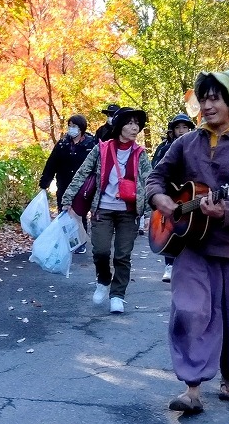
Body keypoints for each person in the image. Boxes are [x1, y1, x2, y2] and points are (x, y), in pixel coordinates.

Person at [146, 68, 229, 414]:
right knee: (190, 310)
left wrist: (224, 210)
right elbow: (157, 176)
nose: (208, 104)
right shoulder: (187, 142)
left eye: (215, 98)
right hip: (193, 245)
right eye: (204, 98)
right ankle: (192, 388)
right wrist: (161, 200)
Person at [62, 107, 151, 314]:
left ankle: (118, 295)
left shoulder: (140, 153)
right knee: (101, 251)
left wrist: (148, 212)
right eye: (129, 123)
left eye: (137, 123)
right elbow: (82, 173)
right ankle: (103, 279)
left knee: (122, 255)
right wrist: (67, 198)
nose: (134, 127)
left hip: (128, 213)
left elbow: (149, 182)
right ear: (119, 126)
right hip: (103, 209)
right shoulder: (101, 149)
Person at [38, 114, 96, 253]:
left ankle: (80, 242)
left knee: (78, 213)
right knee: (64, 212)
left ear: (81, 128)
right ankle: (67, 240)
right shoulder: (63, 144)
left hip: (83, 187)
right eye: (70, 126)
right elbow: (52, 163)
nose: (71, 129)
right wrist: (44, 183)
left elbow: (96, 166)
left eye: (74, 126)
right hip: (63, 184)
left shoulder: (91, 145)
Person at [150, 113, 196, 282]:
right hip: (170, 194)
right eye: (178, 127)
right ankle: (169, 264)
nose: (181, 130)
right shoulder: (164, 148)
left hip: (191, 194)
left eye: (185, 127)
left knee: (188, 228)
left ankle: (188, 264)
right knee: (169, 229)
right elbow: (156, 171)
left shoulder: (196, 145)